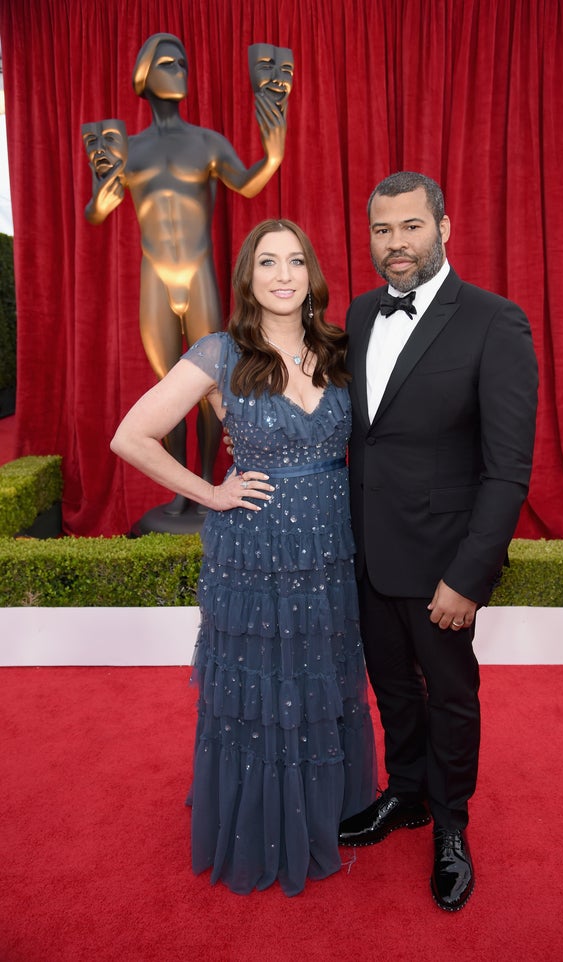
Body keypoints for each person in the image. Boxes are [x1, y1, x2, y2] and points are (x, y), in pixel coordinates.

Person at [110, 218, 377, 896]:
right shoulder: (220, 353)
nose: (283, 275)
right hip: (254, 552)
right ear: (248, 277)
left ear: (311, 274)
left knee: (323, 678)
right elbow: (132, 435)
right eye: (268, 262)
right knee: (262, 689)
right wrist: (211, 493)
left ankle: (331, 811)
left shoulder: (343, 348)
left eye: (295, 261)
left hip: (329, 548)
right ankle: (262, 823)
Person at [337, 171, 538, 912]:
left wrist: (468, 576)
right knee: (392, 690)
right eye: (383, 230)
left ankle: (451, 828)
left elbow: (509, 470)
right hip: (367, 553)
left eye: (411, 227)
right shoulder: (359, 315)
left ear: (444, 228)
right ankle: (409, 795)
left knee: (451, 698)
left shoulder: (495, 321)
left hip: (443, 565)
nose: (396, 244)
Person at [86, 34, 290, 516]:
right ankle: (181, 488)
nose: (180, 69)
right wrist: (102, 196)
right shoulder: (127, 149)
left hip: (197, 275)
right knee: (168, 387)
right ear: (144, 75)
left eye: (183, 62)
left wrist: (274, 155)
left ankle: (202, 482)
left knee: (210, 384)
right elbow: (97, 211)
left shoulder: (208, 143)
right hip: (155, 277)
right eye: (168, 63)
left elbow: (247, 182)